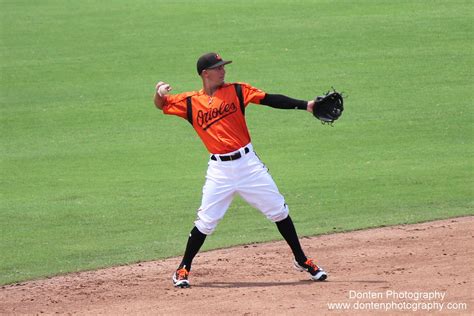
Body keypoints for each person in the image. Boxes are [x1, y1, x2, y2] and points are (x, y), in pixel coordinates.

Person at [154, 52, 327, 288]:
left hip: (248, 166)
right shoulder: (190, 102)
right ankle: (183, 268)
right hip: (219, 171)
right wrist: (159, 92)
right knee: (205, 222)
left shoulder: (237, 90)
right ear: (206, 74)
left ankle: (301, 259)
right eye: (218, 68)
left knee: (279, 210)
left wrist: (306, 105)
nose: (223, 71)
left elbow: (270, 99)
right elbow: (161, 104)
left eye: (223, 66)